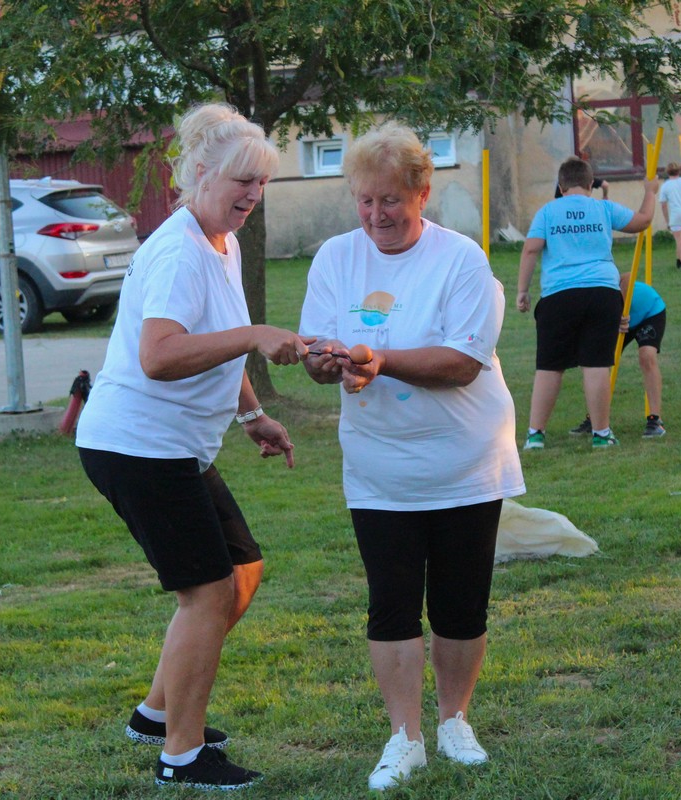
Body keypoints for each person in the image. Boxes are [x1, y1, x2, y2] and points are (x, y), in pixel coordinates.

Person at [75, 103, 312, 791]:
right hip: (136, 445)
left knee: (241, 572)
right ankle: (181, 756)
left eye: (262, 185)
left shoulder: (222, 241)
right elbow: (160, 354)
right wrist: (254, 336)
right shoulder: (180, 249)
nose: (251, 196)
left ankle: (156, 713)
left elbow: (218, 336)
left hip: (173, 447)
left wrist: (252, 415)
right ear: (200, 173)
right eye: (242, 181)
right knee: (207, 592)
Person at [299, 122, 525, 792]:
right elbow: (319, 356)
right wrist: (326, 362)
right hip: (379, 466)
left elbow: (461, 363)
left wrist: (379, 359)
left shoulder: (462, 261)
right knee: (391, 603)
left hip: (464, 459)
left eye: (390, 200)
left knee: (460, 603)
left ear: (422, 192)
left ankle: (455, 720)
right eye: (365, 201)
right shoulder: (336, 258)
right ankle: (406, 738)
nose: (376, 215)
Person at [516, 156, 658, 450]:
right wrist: (651, 192)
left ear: (561, 184)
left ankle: (535, 435)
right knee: (596, 364)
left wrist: (522, 290)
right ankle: (601, 434)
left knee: (549, 366)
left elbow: (531, 250)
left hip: (558, 295)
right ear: (591, 184)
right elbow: (643, 222)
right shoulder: (603, 208)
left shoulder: (547, 212)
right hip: (602, 293)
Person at [571, 274, 667, 438]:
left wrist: (620, 310)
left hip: (649, 312)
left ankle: (655, 420)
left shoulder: (603, 279)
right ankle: (594, 419)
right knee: (598, 364)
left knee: (647, 356)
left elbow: (628, 278)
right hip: (618, 323)